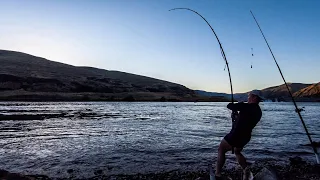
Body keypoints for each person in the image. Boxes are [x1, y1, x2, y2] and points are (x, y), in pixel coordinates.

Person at [215, 90, 263, 180]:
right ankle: (246, 169)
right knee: (237, 152)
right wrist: (237, 116)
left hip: (236, 135)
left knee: (221, 149)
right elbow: (246, 121)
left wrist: (239, 104)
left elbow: (229, 106)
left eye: (249, 96)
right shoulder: (258, 111)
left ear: (254, 97)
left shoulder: (246, 107)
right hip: (245, 137)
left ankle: (218, 174)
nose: (248, 97)